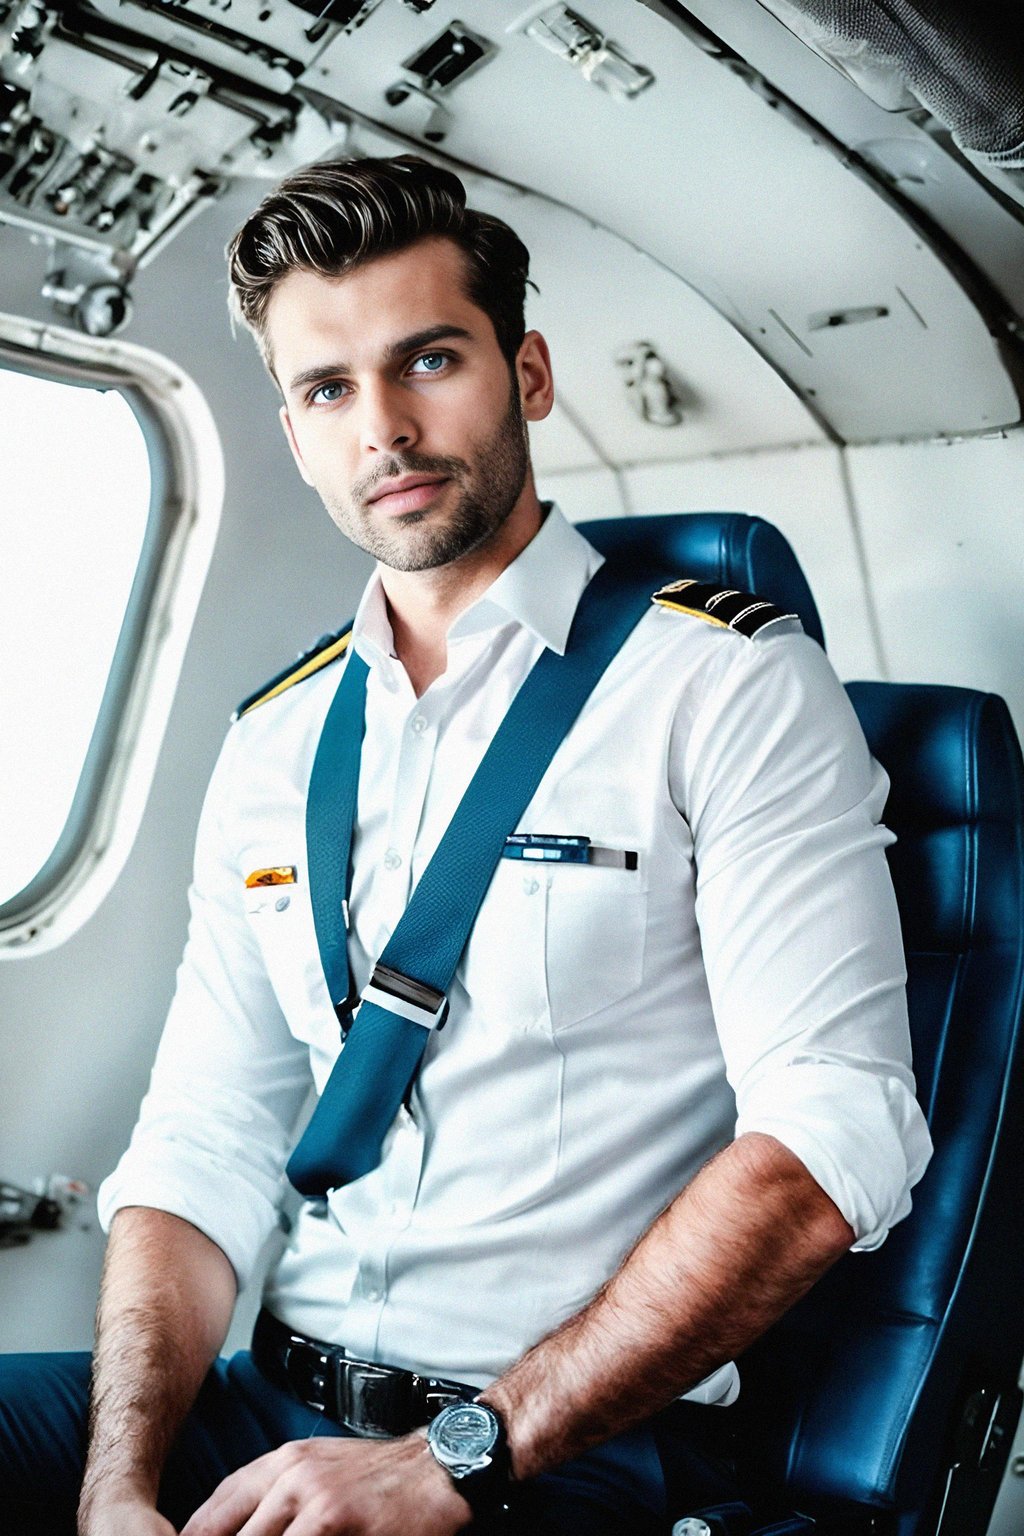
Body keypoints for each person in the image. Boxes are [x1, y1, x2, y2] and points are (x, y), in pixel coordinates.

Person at [0, 155, 932, 1536]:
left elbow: (832, 1130)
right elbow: (205, 1145)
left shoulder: (725, 688)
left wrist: (448, 1460)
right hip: (263, 1407)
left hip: (555, 1449)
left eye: (428, 359)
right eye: (328, 390)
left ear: (528, 374)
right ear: (298, 429)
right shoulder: (274, 740)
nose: (383, 426)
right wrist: (119, 1486)